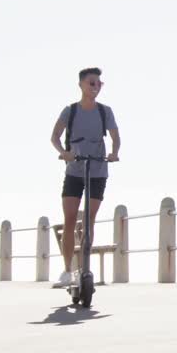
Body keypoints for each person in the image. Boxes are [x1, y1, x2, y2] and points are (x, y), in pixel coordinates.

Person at [49, 67, 120, 288]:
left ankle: (85, 267)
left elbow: (116, 138)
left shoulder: (105, 111)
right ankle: (67, 270)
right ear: (81, 85)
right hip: (74, 170)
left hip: (97, 169)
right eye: (91, 83)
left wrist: (114, 153)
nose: (95, 87)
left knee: (89, 218)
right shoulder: (69, 111)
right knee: (70, 219)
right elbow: (55, 137)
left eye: (99, 83)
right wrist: (64, 152)